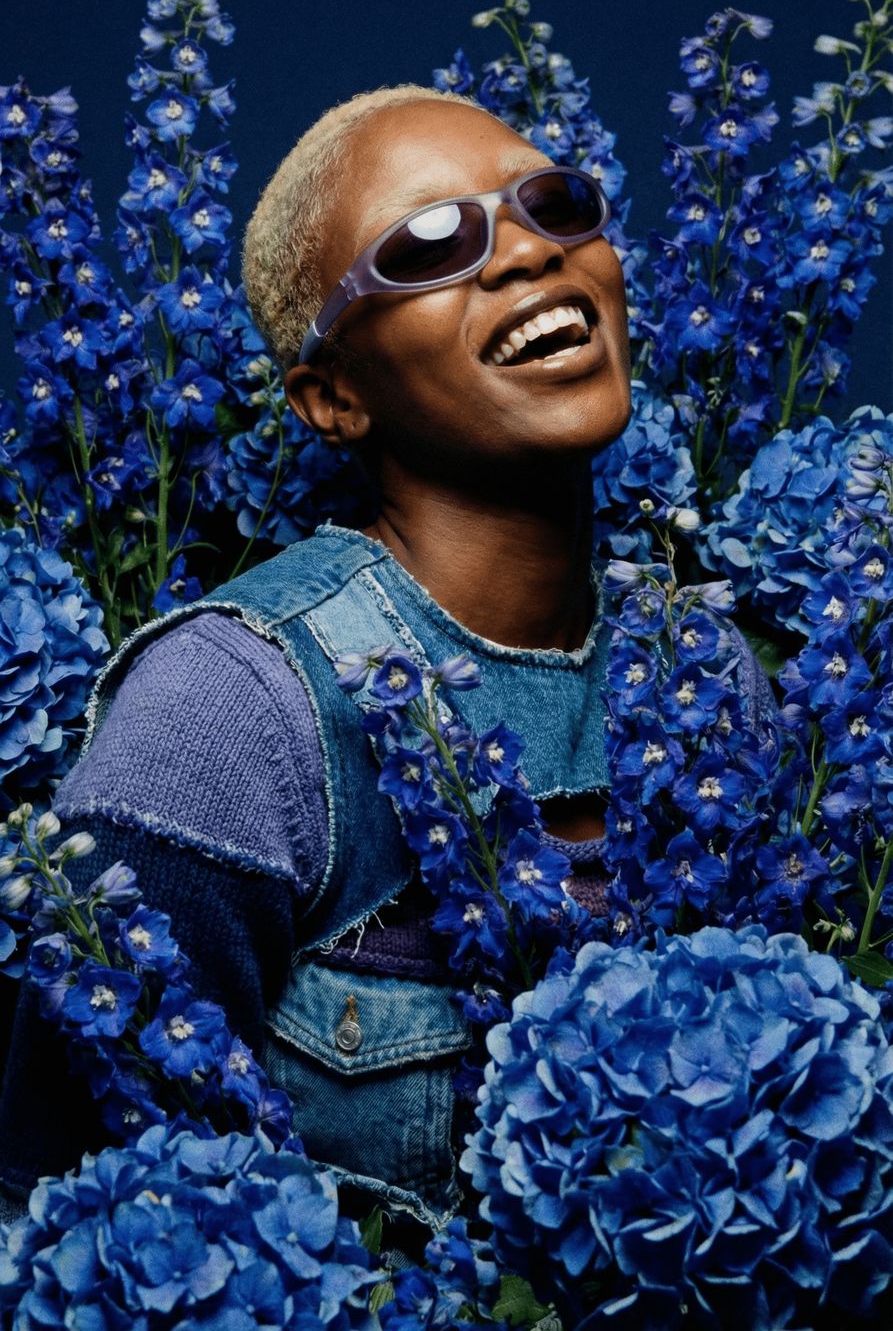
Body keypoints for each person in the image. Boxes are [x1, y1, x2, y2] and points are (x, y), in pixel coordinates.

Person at [0, 84, 771, 1235]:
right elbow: (54, 1216)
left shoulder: (707, 670)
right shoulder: (233, 710)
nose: (526, 252)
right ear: (332, 398)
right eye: (429, 243)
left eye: (553, 203)